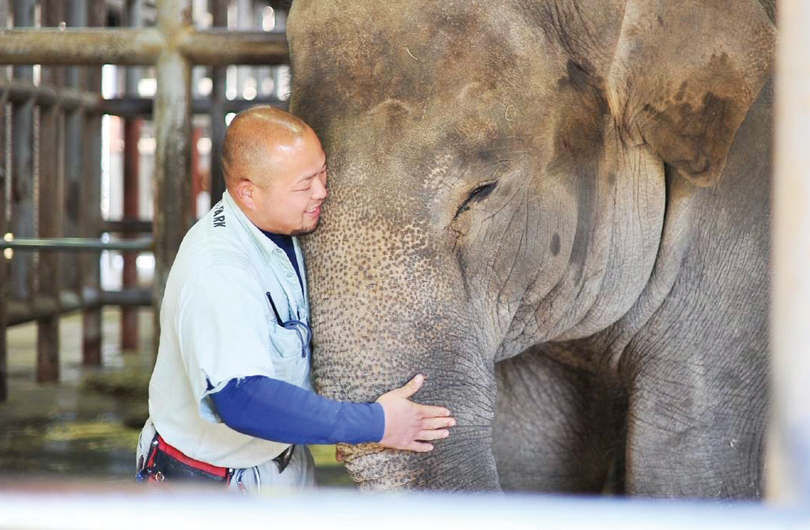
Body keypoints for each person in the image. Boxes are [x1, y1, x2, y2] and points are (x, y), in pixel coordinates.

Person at [136, 106, 455, 492]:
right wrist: (375, 423)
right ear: (248, 192)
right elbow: (241, 399)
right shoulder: (219, 272)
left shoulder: (284, 229)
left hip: (281, 461)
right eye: (304, 185)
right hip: (211, 485)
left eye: (322, 172)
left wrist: (327, 420)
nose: (322, 191)